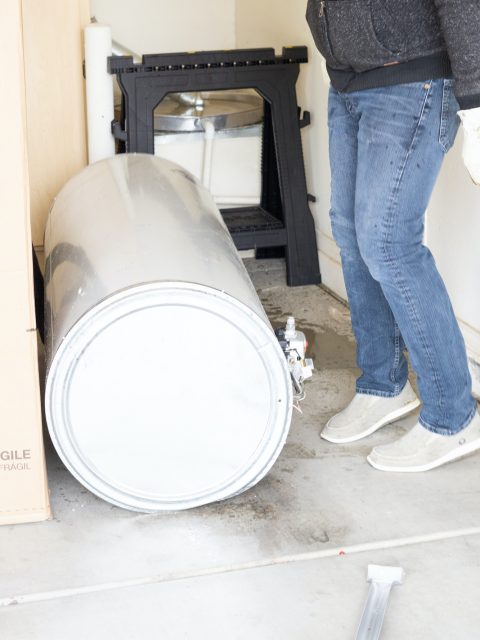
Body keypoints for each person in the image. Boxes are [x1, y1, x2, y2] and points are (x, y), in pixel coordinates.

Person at [306, 0, 480, 472]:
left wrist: (476, 104)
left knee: (388, 243)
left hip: (411, 81)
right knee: (351, 235)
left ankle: (453, 415)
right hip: (347, 81)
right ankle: (383, 385)